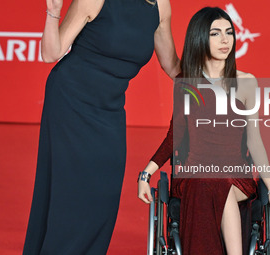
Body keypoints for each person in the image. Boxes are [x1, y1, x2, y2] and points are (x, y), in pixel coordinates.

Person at [22, 0, 180, 254]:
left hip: (110, 110)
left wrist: (213, 75)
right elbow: (51, 53)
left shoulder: (159, 6)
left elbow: (172, 66)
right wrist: (53, 14)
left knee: (103, 198)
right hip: (70, 102)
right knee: (70, 195)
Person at [138, 7, 270, 255]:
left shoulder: (247, 82)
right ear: (200, 38)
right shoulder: (186, 83)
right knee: (211, 180)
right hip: (195, 174)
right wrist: (146, 174)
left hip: (236, 175)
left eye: (229, 32)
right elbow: (175, 136)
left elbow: (255, 141)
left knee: (218, 180)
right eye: (215, 33)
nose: (225, 40)